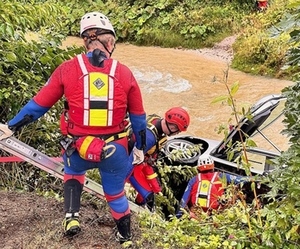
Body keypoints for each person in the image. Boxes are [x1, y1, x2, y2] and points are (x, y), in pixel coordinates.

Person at [7, 11, 147, 247]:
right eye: (112, 39)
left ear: (86, 40)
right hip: (115, 150)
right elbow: (139, 120)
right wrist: (140, 148)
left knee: (73, 174)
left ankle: (71, 218)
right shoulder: (125, 73)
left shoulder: (66, 69)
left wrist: (11, 127)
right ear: (107, 40)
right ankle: (125, 236)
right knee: (114, 193)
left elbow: (37, 106)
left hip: (77, 148)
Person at [126, 107, 190, 212]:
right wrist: (116, 189)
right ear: (173, 127)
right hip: (127, 162)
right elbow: (130, 162)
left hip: (139, 161)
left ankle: (139, 205)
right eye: (177, 131)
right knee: (148, 195)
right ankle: (138, 208)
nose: (177, 134)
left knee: (155, 188)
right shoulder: (149, 137)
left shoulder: (156, 120)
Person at [176, 155, 250, 219]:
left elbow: (184, 200)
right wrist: (255, 178)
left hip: (196, 215)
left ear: (199, 167)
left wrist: (178, 216)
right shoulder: (220, 176)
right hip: (214, 215)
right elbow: (239, 180)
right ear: (212, 165)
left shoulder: (194, 180)